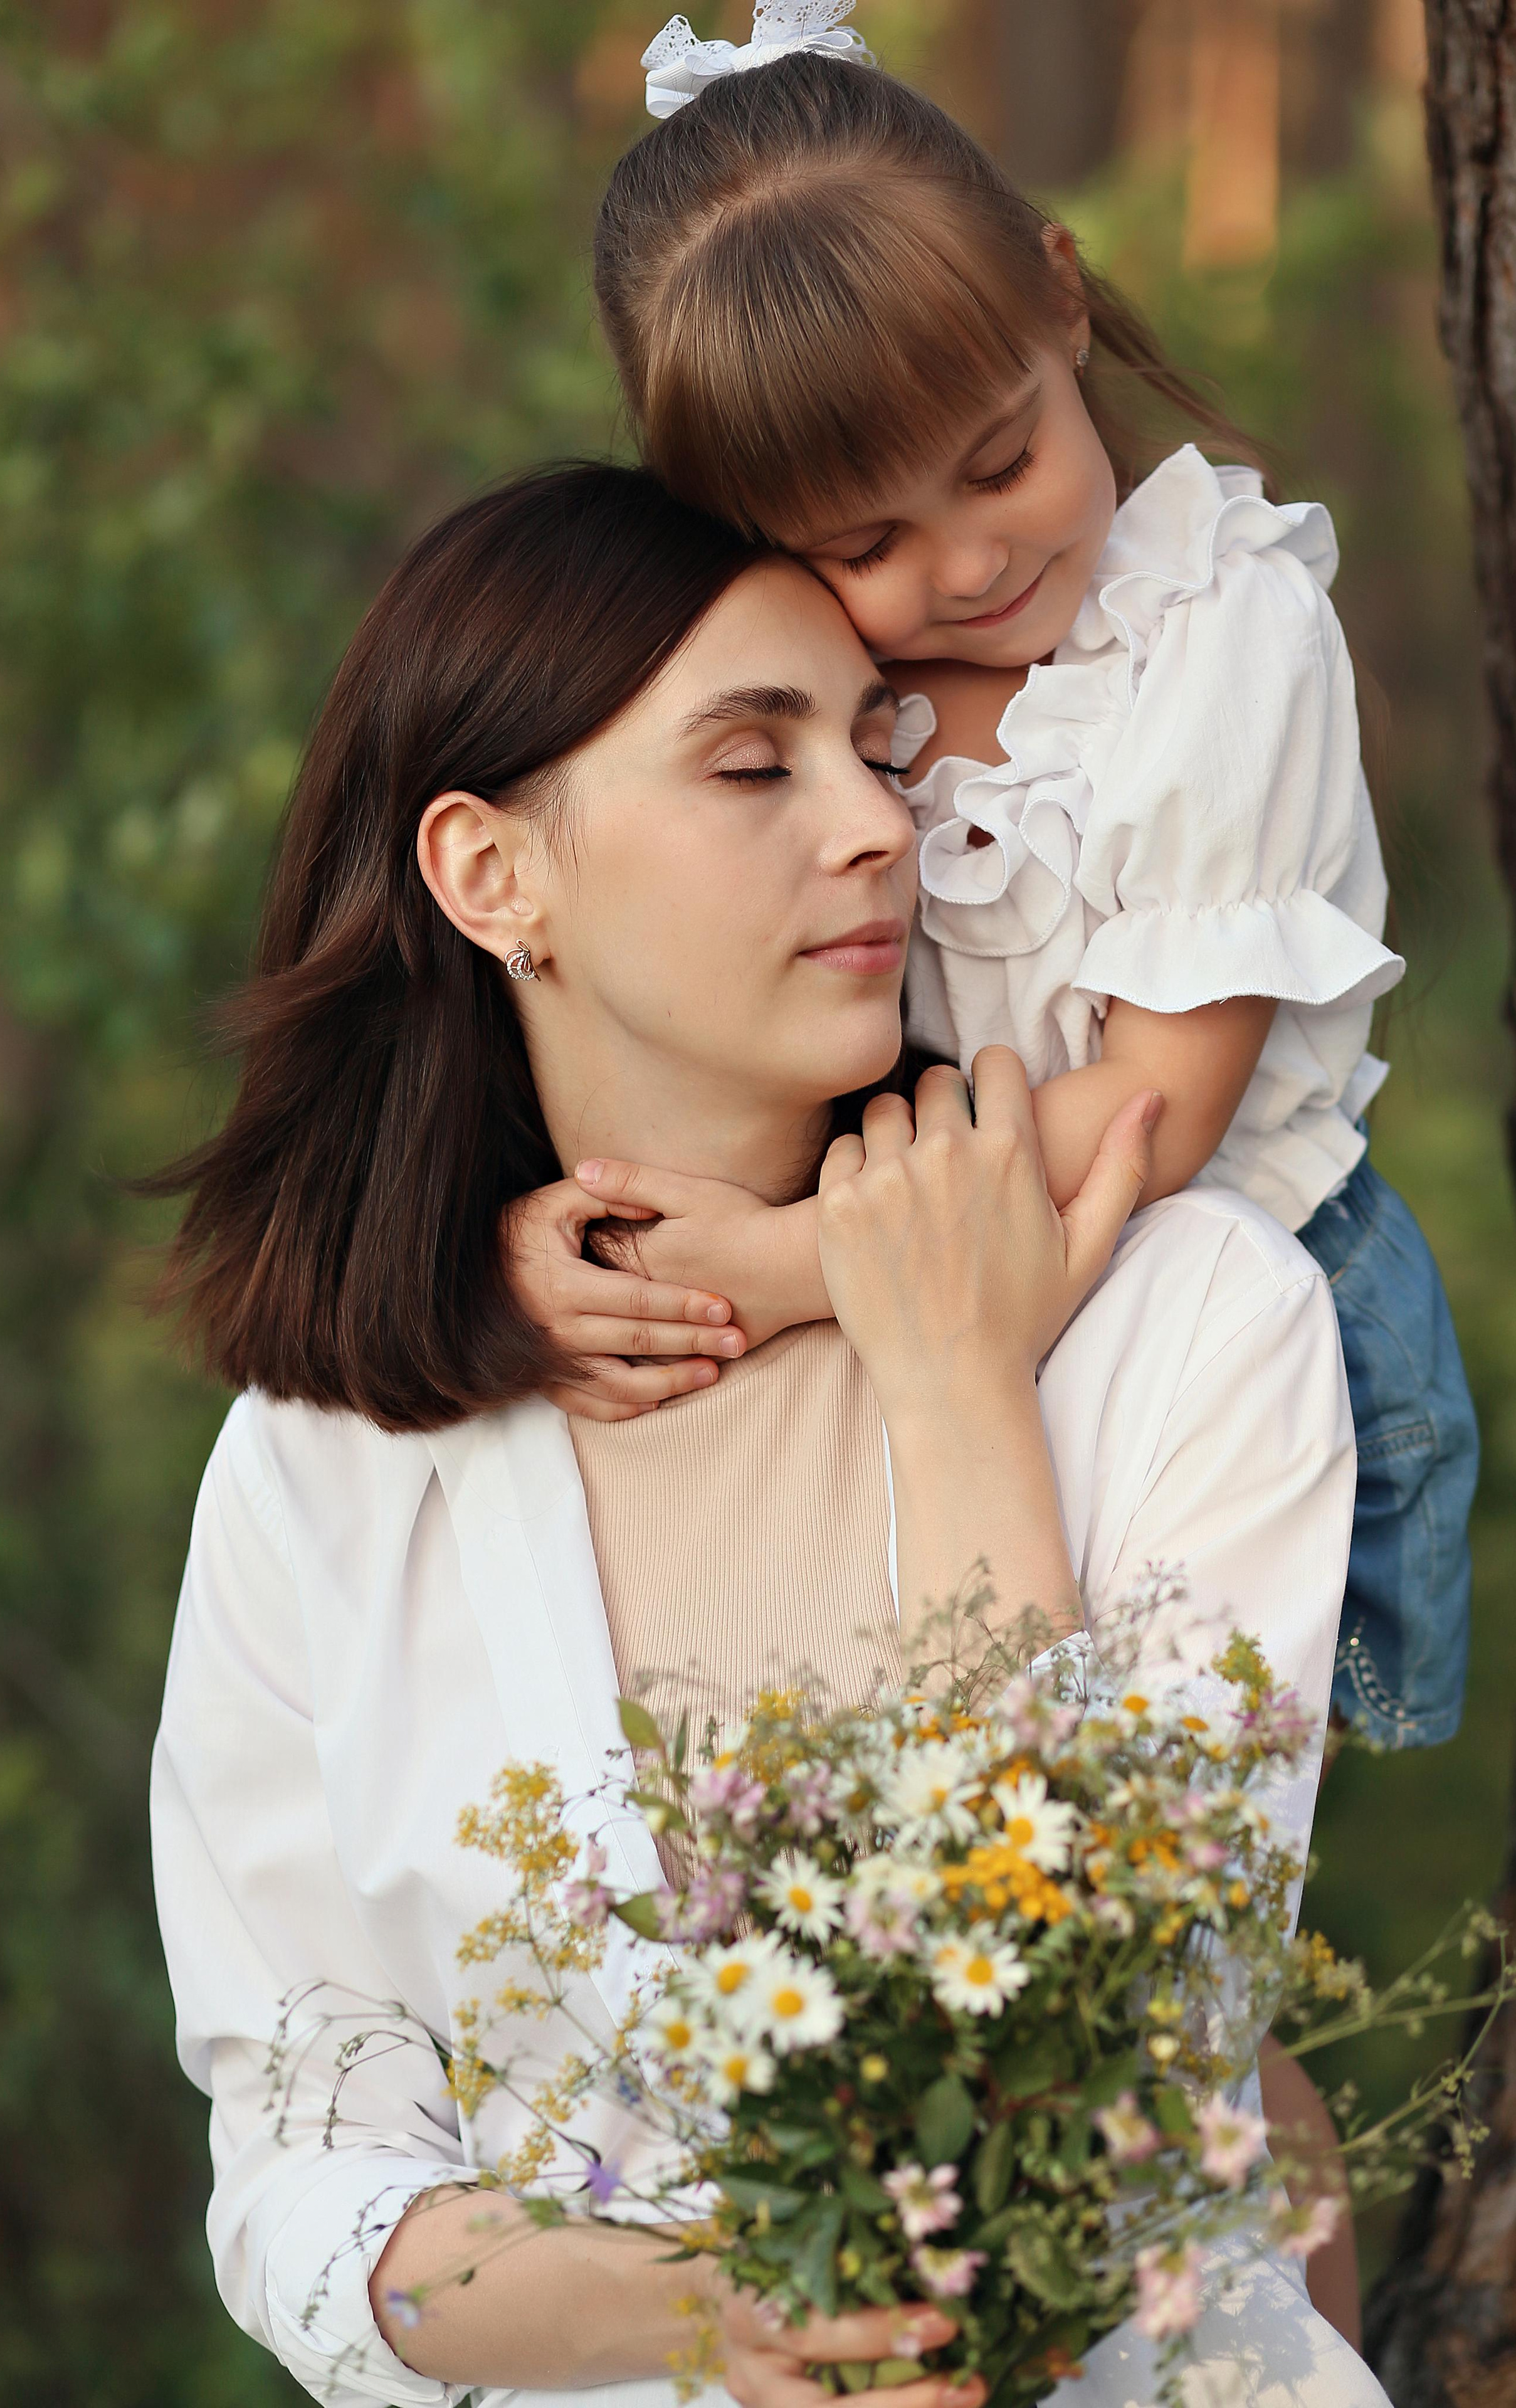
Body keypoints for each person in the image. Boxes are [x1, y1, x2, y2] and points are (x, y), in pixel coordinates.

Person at [150, 462, 1387, 2408]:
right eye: (755, 767)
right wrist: (692, 2309)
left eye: (880, 744)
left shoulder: (1184, 1324)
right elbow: (312, 2183)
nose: (878, 826)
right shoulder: (333, 1462)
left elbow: (1131, 2052)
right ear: (493, 876)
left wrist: (965, 1395)